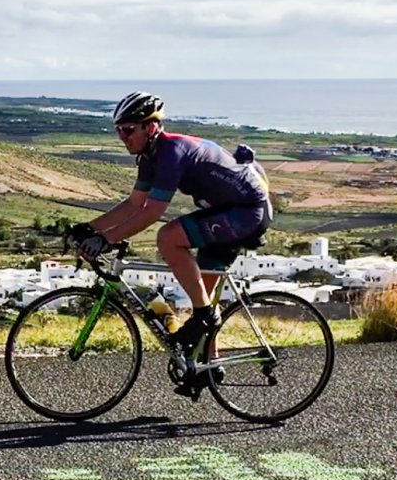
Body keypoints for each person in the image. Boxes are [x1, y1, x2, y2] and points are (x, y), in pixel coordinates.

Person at [71, 91, 273, 353]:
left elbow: (153, 211)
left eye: (128, 130)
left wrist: (107, 239)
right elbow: (134, 204)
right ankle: (206, 368)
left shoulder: (171, 152)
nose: (123, 138)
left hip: (246, 212)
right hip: (225, 212)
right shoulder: (149, 156)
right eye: (119, 131)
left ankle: (204, 317)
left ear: (151, 126)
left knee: (168, 237)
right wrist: (91, 228)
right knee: (203, 298)